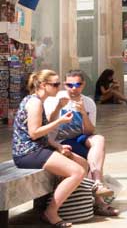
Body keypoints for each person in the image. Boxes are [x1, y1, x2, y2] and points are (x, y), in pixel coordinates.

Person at [13, 70, 90, 227]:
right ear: (42, 85)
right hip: (28, 152)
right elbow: (34, 133)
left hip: (39, 148)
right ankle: (51, 212)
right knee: (77, 172)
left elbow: (42, 132)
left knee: (82, 163)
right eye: (55, 84)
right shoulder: (34, 102)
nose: (58, 87)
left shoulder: (38, 101)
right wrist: (59, 121)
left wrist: (58, 146)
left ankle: (72, 204)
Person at [44, 70, 118, 215]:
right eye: (69, 85)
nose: (73, 88)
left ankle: (97, 183)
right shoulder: (54, 100)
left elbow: (89, 131)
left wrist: (83, 113)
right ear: (64, 85)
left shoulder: (88, 102)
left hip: (78, 139)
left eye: (77, 84)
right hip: (58, 142)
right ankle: (99, 202)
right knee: (89, 163)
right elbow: (46, 127)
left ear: (83, 85)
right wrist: (59, 108)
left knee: (99, 139)